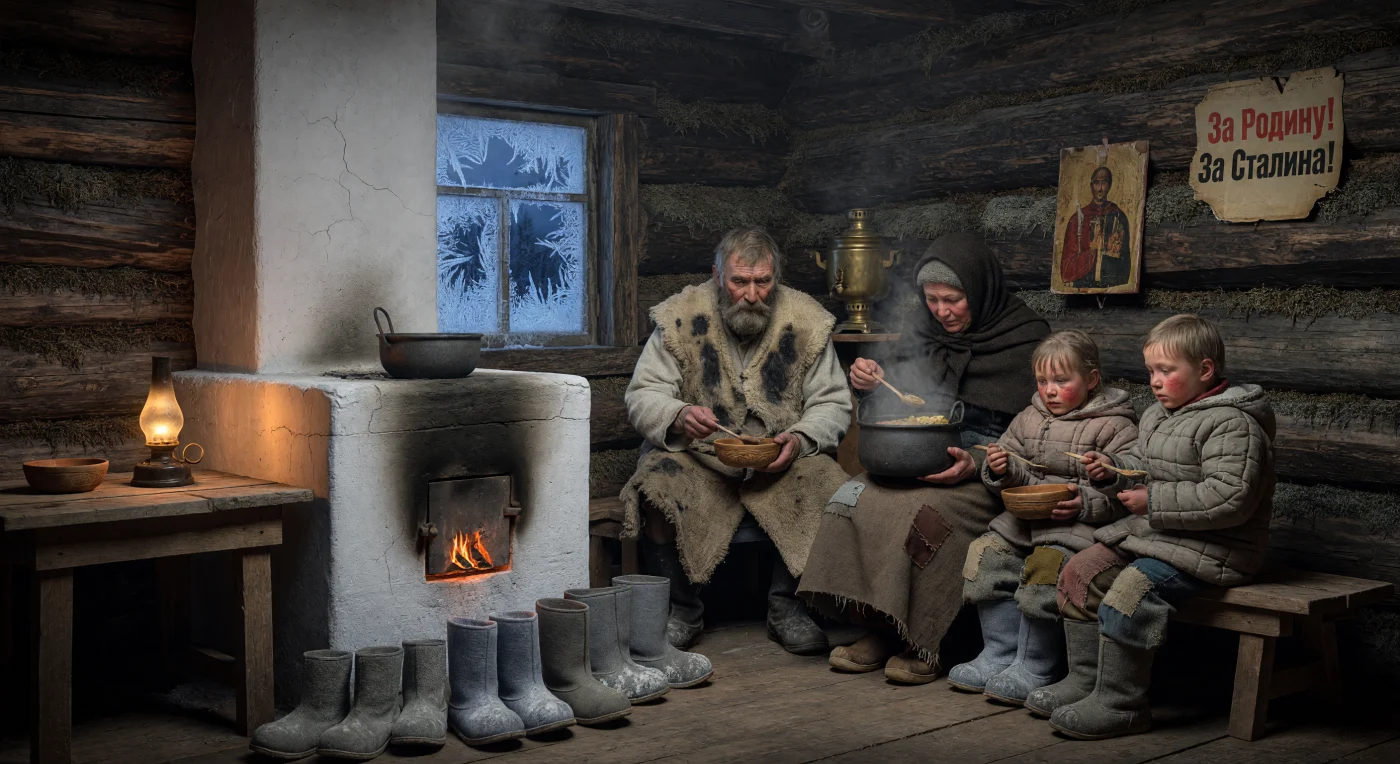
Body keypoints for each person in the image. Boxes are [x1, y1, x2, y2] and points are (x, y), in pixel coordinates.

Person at [798, 232, 1051, 684]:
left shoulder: (1025, 338)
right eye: (932, 299)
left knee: (923, 516)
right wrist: (869, 383)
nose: (941, 311)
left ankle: (928, 639)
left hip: (990, 467)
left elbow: (1040, 436)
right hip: (916, 452)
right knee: (850, 498)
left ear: (979, 290)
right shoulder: (922, 329)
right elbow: (895, 402)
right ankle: (879, 626)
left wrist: (977, 461)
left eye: (953, 299)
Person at [1040, 314, 1276, 740]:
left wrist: (1153, 501)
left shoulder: (1233, 424)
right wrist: (1111, 473)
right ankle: (1084, 683)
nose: (1154, 381)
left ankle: (1121, 704)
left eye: (1166, 371)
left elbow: (1230, 498)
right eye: (1151, 370)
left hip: (1218, 547)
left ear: (1204, 370)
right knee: (1078, 570)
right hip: (1163, 537)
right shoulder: (1157, 416)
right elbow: (1142, 468)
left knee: (1130, 591)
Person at [620, 227, 853, 655]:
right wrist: (678, 414)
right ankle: (683, 610)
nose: (751, 294)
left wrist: (799, 439)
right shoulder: (679, 316)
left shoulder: (807, 321)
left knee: (827, 482)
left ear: (776, 280)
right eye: (739, 281)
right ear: (716, 276)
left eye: (762, 282)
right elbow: (642, 394)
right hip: (700, 456)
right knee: (656, 486)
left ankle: (787, 607)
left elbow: (833, 403)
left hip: (779, 459)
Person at [951, 330, 1138, 708]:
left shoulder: (1115, 426)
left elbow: (1127, 489)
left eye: (1061, 381)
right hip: (1025, 522)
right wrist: (1001, 469)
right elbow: (1012, 466)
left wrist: (1085, 502)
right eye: (1042, 381)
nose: (1049, 390)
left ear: (1091, 379)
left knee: (1045, 567)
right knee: (986, 555)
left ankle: (1035, 665)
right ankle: (999, 654)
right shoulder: (1028, 418)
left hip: (1079, 528)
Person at [1059, 166, 1132, 290]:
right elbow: (1066, 269)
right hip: (1082, 287)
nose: (1100, 188)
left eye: (1104, 182)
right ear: (1091, 185)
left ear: (1110, 185)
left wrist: (1111, 250)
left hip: (1112, 287)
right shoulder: (1077, 219)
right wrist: (1091, 252)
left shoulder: (1119, 216)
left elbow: (1125, 264)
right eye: (1096, 183)